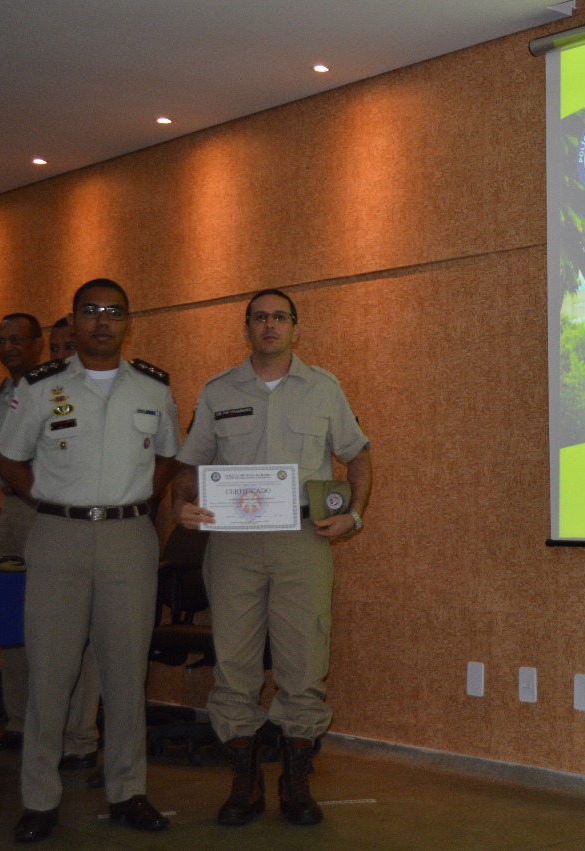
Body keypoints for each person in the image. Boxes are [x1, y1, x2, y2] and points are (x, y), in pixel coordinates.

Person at [173, 289, 372, 827]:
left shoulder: (324, 388)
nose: (269, 325)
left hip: (301, 542)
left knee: (304, 662)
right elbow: (189, 464)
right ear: (247, 329)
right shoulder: (218, 391)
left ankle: (295, 780)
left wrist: (354, 515)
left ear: (294, 328)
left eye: (279, 317)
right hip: (233, 545)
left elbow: (357, 455)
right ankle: (245, 782)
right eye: (259, 318)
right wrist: (180, 505)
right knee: (234, 665)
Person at [0, 279, 180, 842]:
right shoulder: (41, 386)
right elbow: (9, 460)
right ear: (73, 321)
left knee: (125, 671)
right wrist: (48, 501)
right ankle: (40, 798)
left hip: (129, 538)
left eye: (114, 312)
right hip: (60, 537)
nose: (103, 321)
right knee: (51, 672)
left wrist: (137, 498)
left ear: (128, 322)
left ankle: (128, 790)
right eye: (91, 311)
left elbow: (168, 457)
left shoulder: (153, 388)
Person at [0, 314, 103, 775]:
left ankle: (78, 736)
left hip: (60, 510)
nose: (61, 355)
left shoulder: (82, 392)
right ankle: (19, 720)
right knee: (16, 617)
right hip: (16, 508)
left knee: (75, 623)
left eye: (67, 346)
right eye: (57, 348)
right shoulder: (11, 392)